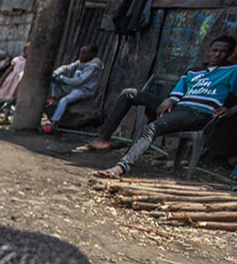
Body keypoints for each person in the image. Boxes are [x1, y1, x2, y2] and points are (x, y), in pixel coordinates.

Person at [86, 36, 237, 178]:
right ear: (208, 51)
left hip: (195, 114)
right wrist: (170, 99)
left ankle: (121, 167)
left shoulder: (232, 71)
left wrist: (230, 110)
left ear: (230, 54)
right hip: (178, 108)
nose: (218, 54)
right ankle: (103, 139)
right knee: (129, 93)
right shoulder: (193, 71)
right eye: (215, 50)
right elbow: (178, 92)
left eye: (223, 52)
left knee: (152, 128)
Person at [47, 44, 103, 125]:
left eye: (84, 53)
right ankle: (55, 99)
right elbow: (67, 68)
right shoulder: (82, 61)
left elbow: (79, 81)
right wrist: (56, 73)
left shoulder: (93, 67)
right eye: (81, 53)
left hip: (83, 90)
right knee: (55, 80)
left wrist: (63, 78)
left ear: (92, 54)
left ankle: (54, 122)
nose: (81, 55)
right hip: (74, 87)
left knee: (64, 100)